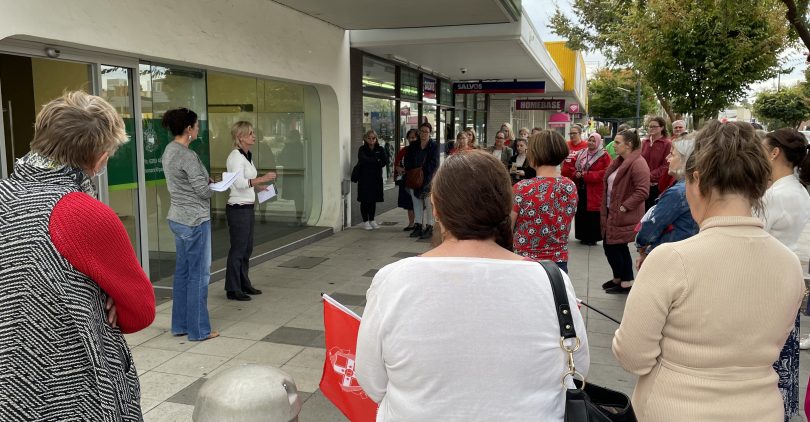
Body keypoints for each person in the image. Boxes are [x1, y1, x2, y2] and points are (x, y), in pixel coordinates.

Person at [356, 150, 589, 421]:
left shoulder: (393, 280)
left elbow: (371, 380)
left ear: (436, 208)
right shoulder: (552, 281)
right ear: (506, 206)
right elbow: (577, 368)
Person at [612, 120, 804, 421]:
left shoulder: (671, 258)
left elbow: (632, 355)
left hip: (674, 409)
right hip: (761, 410)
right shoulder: (789, 264)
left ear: (697, 179)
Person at [0, 91, 156, 420]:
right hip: (66, 385)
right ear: (99, 159)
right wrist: (109, 292)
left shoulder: (6, 194)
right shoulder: (82, 213)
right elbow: (139, 311)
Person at [760, 128, 810, 420]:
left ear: (775, 152)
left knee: (772, 357)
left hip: (770, 283)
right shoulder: (798, 189)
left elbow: (753, 233)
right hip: (787, 281)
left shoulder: (777, 194)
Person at [162, 107, 219, 341]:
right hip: (195, 220)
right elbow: (203, 192)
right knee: (199, 276)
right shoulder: (188, 155)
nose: (198, 129)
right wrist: (212, 185)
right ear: (188, 129)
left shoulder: (169, 151)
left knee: (183, 274)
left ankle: (181, 325)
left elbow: (185, 183)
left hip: (177, 217)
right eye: (196, 125)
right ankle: (199, 330)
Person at [224, 121, 277, 301]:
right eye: (250, 133)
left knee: (247, 248)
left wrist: (259, 187)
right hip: (238, 208)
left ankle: (243, 282)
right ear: (240, 137)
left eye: (253, 133)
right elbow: (238, 184)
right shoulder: (235, 157)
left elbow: (247, 182)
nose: (254, 136)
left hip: (247, 206)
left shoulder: (246, 155)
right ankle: (233, 288)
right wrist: (263, 178)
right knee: (238, 249)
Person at [511, 130, 577, 272]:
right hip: (558, 263)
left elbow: (507, 227)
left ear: (534, 154)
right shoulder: (570, 186)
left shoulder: (522, 188)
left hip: (525, 262)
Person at [634, 137, 699, 268]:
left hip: (669, 256)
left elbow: (653, 225)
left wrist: (641, 246)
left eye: (672, 154)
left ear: (685, 159)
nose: (667, 158)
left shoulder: (679, 192)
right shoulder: (694, 186)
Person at [600, 129, 650, 294]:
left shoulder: (638, 163)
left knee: (614, 246)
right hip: (613, 211)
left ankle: (626, 281)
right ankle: (619, 279)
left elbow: (643, 191)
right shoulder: (620, 161)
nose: (614, 145)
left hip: (623, 213)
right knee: (613, 246)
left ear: (628, 145)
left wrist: (624, 206)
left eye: (617, 142)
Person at [562, 132, 611, 246]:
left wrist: (586, 175)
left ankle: (592, 237)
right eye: (590, 140)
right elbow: (569, 167)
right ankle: (582, 236)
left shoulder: (604, 155)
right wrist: (576, 173)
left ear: (598, 142)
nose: (591, 143)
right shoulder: (582, 153)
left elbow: (605, 172)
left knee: (592, 213)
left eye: (594, 141)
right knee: (581, 212)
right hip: (581, 188)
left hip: (594, 189)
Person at [404, 122, 440, 239]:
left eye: (426, 131)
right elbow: (407, 160)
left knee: (429, 204)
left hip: (428, 178)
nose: (424, 133)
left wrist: (423, 172)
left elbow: (435, 163)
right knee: (416, 203)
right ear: (419, 132)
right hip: (414, 178)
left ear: (430, 133)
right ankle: (418, 226)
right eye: (422, 131)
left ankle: (429, 227)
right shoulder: (413, 145)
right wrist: (414, 171)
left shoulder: (433, 146)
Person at [356, 129, 390, 230]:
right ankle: (365, 221)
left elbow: (384, 162)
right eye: (369, 138)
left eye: (373, 138)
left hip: (375, 178)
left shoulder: (380, 149)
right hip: (364, 178)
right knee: (364, 200)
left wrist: (372, 160)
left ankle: (372, 219)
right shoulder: (362, 149)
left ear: (376, 139)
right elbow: (362, 159)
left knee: (373, 200)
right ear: (365, 139)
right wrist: (376, 160)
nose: (371, 140)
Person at [641, 116, 672, 210]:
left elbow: (665, 166)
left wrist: (649, 176)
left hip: (656, 186)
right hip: (642, 183)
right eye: (650, 126)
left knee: (650, 211)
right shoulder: (644, 142)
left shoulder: (667, 143)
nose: (651, 129)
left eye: (654, 126)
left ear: (662, 128)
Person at [395, 129, 418, 230]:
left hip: (417, 180)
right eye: (410, 137)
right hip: (406, 179)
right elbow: (397, 163)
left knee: (418, 202)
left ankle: (419, 223)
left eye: (414, 137)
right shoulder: (404, 150)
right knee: (409, 203)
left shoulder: (421, 150)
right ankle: (411, 223)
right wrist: (398, 168)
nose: (412, 139)